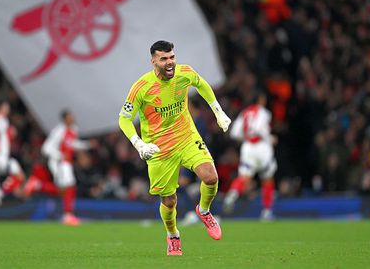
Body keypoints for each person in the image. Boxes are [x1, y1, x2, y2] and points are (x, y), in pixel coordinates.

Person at [118, 40, 231, 256]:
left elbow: (202, 84)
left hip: (185, 137)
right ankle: (173, 235)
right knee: (169, 201)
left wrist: (218, 112)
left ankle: (204, 210)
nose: (170, 63)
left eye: (172, 57)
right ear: (153, 62)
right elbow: (123, 119)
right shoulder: (141, 88)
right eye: (164, 59)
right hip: (159, 148)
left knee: (211, 177)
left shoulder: (184, 73)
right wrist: (138, 143)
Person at [28, 109, 90, 226]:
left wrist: (87, 145)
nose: (73, 118)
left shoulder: (73, 130)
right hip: (59, 163)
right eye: (70, 116)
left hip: (66, 162)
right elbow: (46, 148)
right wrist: (59, 155)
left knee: (64, 190)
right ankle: (68, 216)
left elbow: (72, 144)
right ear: (65, 118)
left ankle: (38, 185)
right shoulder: (58, 131)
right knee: (69, 186)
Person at [222, 91, 277, 220]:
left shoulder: (245, 112)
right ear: (261, 99)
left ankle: (232, 195)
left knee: (244, 177)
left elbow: (234, 133)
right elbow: (259, 129)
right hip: (262, 147)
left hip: (247, 148)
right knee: (267, 178)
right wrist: (270, 139)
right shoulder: (263, 112)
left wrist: (246, 137)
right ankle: (267, 212)